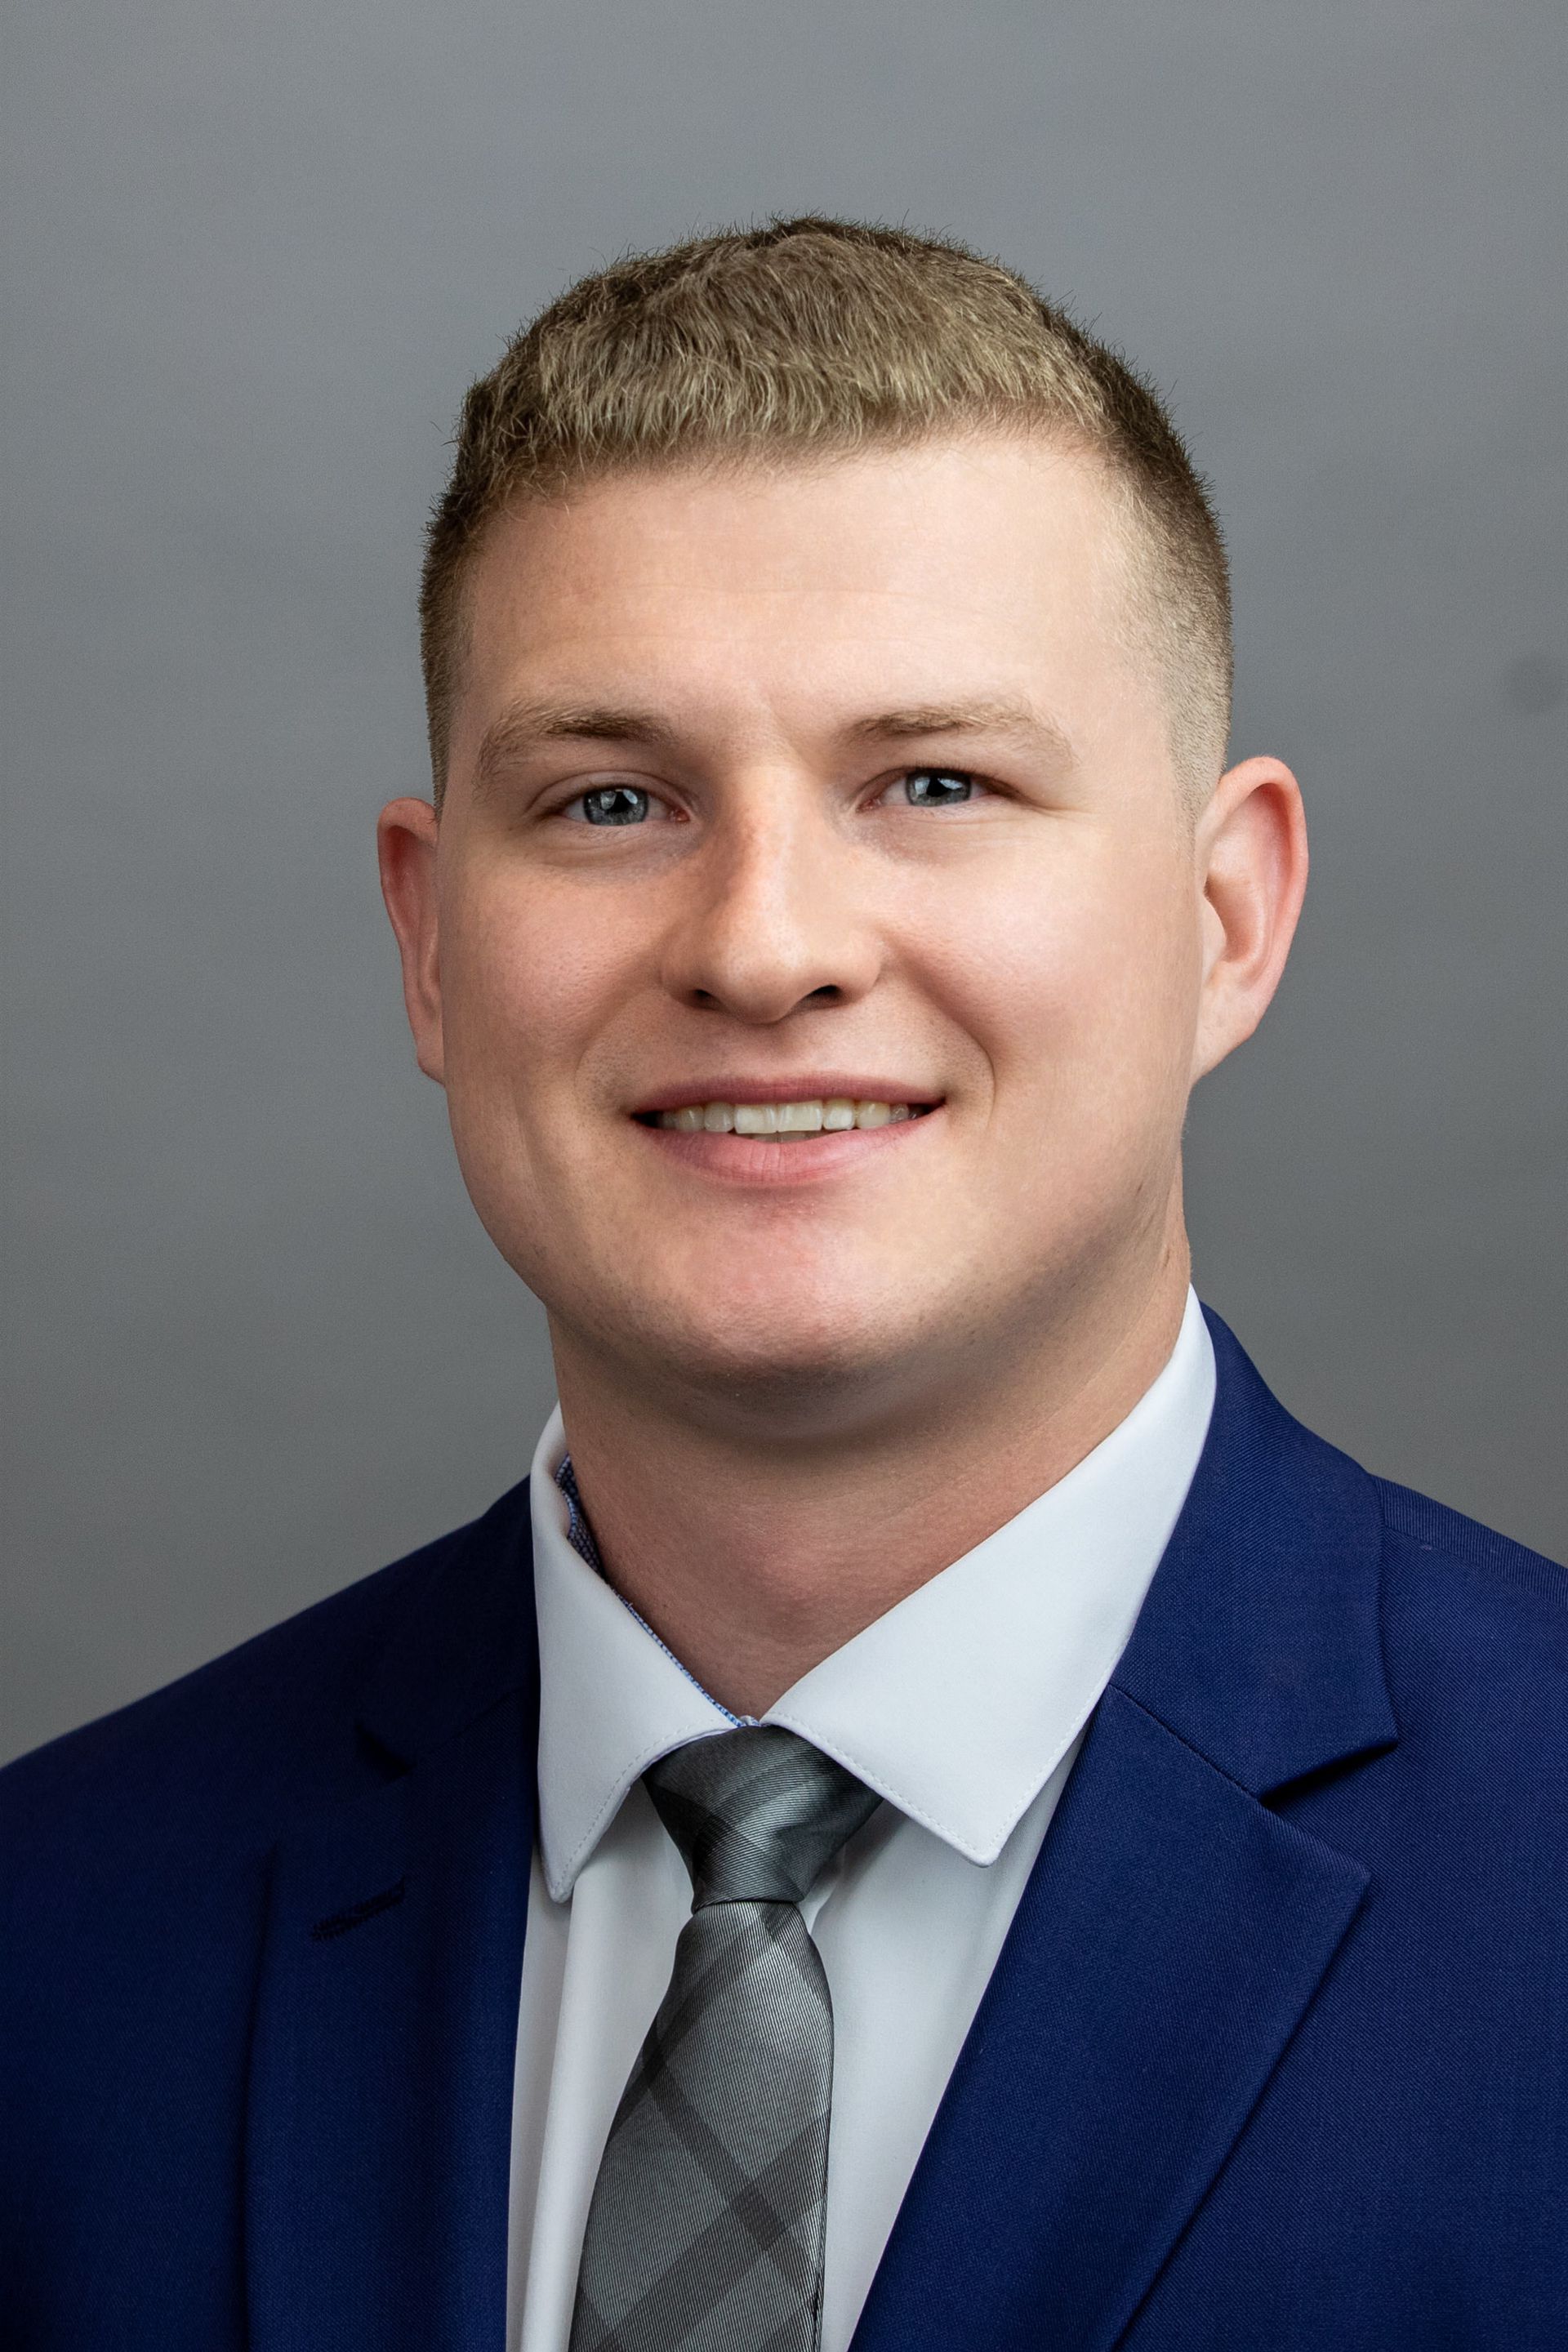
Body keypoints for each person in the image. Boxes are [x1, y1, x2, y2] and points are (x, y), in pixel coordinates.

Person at [1, 219, 1562, 2352]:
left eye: (934, 783)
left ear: (1227, 918)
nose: (763, 944)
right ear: (431, 940)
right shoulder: (57, 1938)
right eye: (611, 799)